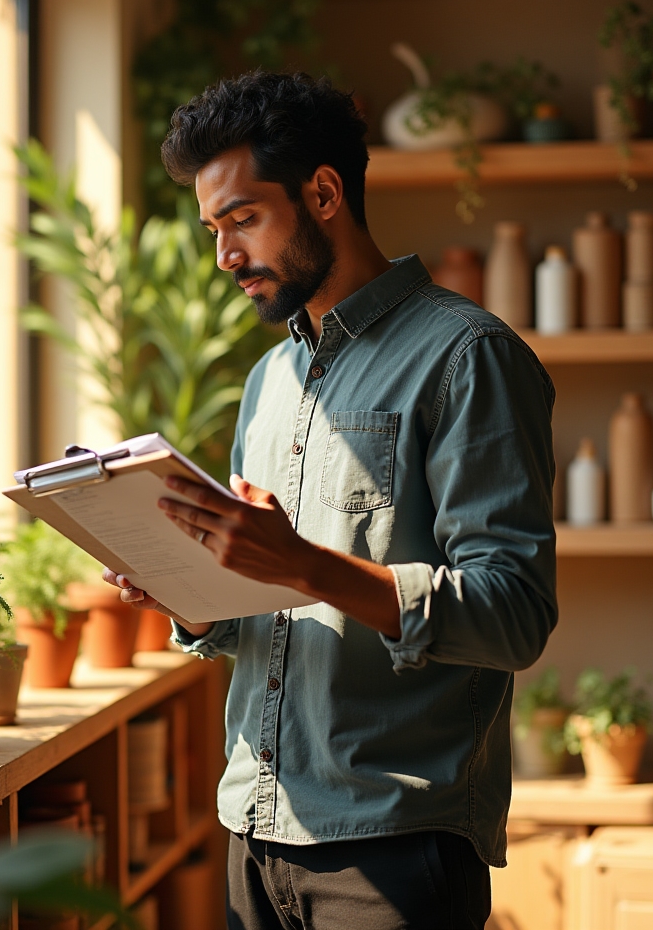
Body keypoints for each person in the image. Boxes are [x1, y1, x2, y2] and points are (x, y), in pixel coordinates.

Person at [103, 71, 557, 930]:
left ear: (322, 193)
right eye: (212, 229)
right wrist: (189, 595)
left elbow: (515, 614)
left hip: (394, 846)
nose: (224, 256)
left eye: (242, 219)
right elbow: (256, 615)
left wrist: (306, 564)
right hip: (253, 832)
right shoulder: (269, 380)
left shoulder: (469, 358)